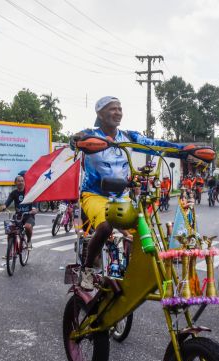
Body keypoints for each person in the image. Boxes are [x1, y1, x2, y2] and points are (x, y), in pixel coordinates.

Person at [73, 96, 188, 291]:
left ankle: (136, 271)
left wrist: (185, 150)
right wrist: (84, 141)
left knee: (143, 233)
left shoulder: (128, 136)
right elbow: (75, 140)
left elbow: (156, 144)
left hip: (121, 196)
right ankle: (87, 269)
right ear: (100, 114)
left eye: (120, 108)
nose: (118, 112)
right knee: (105, 227)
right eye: (112, 109)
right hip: (94, 195)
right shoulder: (90, 134)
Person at [4, 172, 37, 246]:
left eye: (22, 181)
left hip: (29, 215)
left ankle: (29, 241)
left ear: (24, 182)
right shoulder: (13, 193)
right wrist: (3, 206)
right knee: (10, 231)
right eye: (19, 181)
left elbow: (34, 201)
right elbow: (8, 202)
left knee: (28, 227)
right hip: (18, 216)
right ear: (15, 183)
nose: (21, 182)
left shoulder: (29, 192)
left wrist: (34, 209)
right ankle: (10, 251)